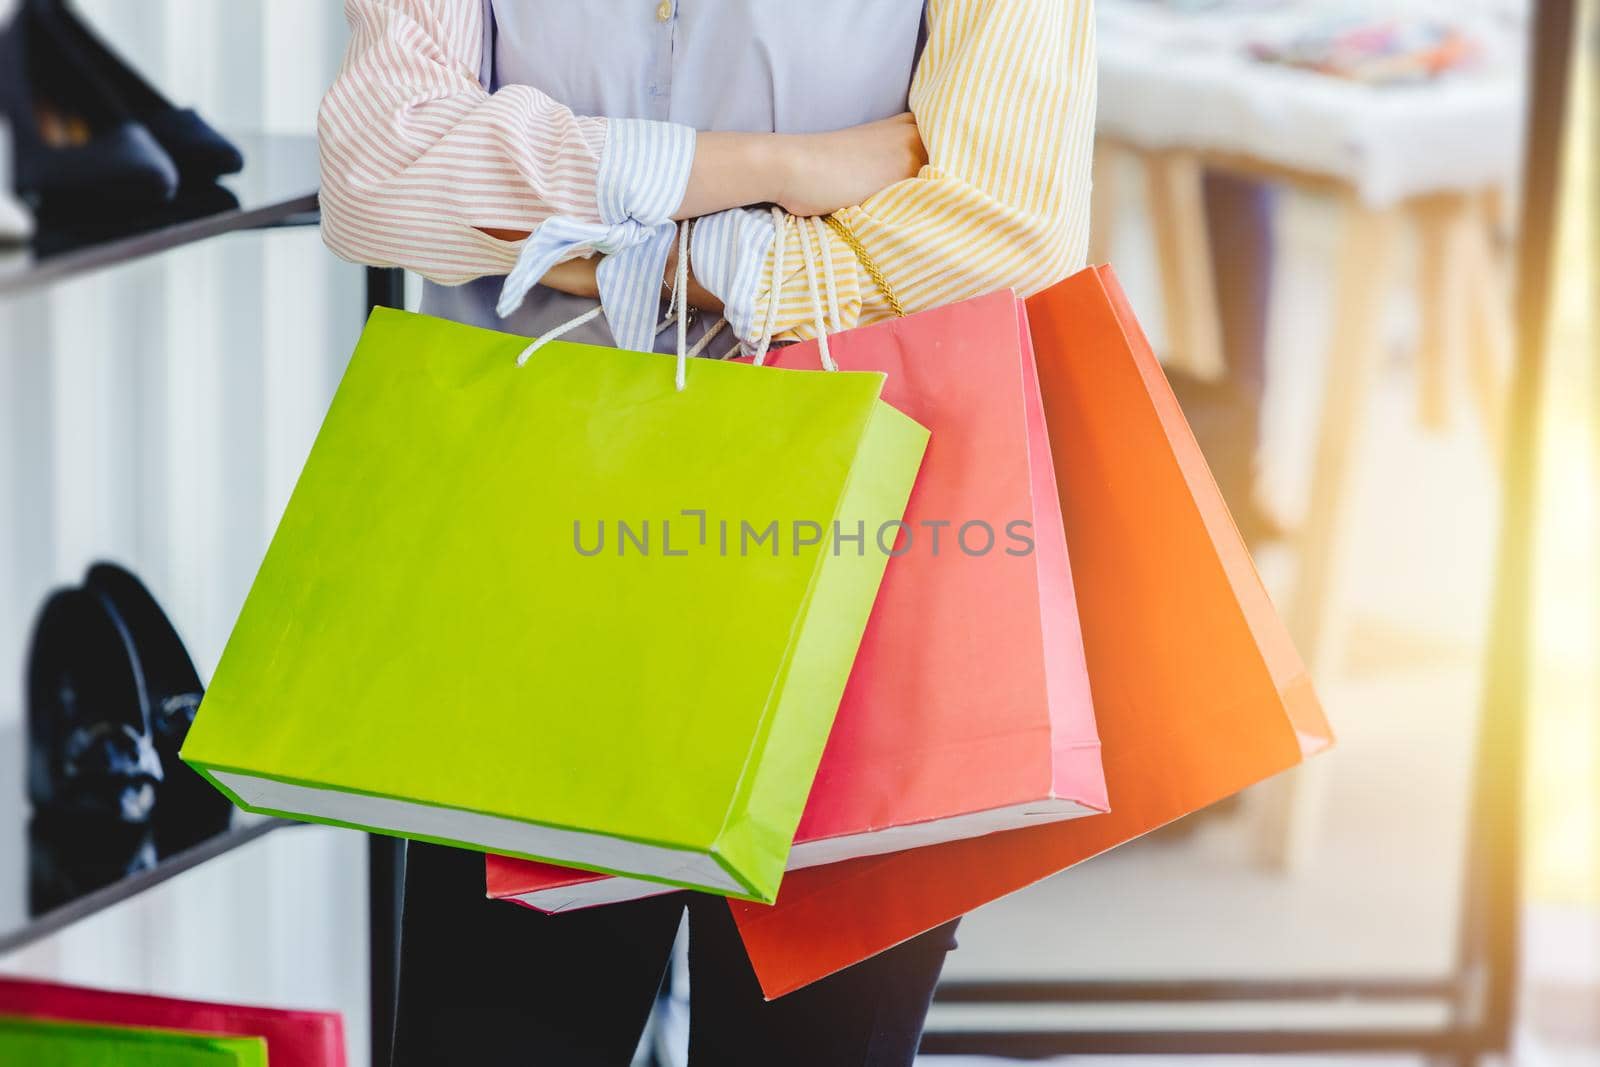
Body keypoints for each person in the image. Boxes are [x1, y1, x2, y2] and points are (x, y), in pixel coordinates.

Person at [317, 1, 1095, 1063]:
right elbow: (378, 176)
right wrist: (778, 165)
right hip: (529, 562)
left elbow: (1007, 218)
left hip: (862, 571)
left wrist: (641, 263)